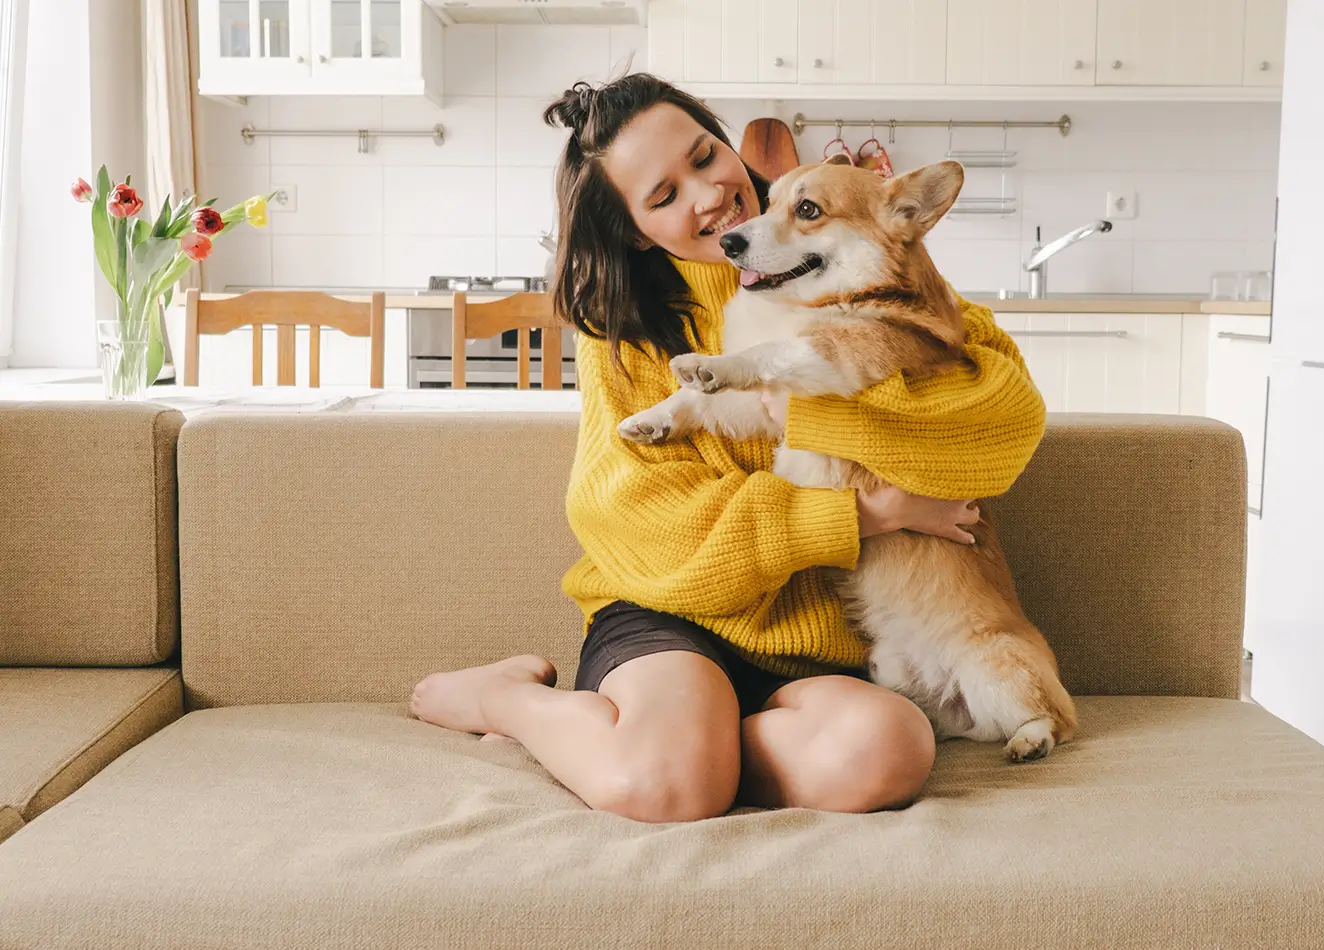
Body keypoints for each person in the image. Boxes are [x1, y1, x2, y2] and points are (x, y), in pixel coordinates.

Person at [411, 73, 1046, 823]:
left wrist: (804, 417)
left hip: (817, 637)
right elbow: (628, 514)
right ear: (635, 232)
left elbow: (1006, 424)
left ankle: (700, 748)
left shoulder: (857, 249)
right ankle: (502, 697)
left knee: (888, 754)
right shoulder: (623, 326)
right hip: (675, 615)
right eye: (663, 197)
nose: (707, 195)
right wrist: (862, 515)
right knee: (666, 788)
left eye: (705, 156)